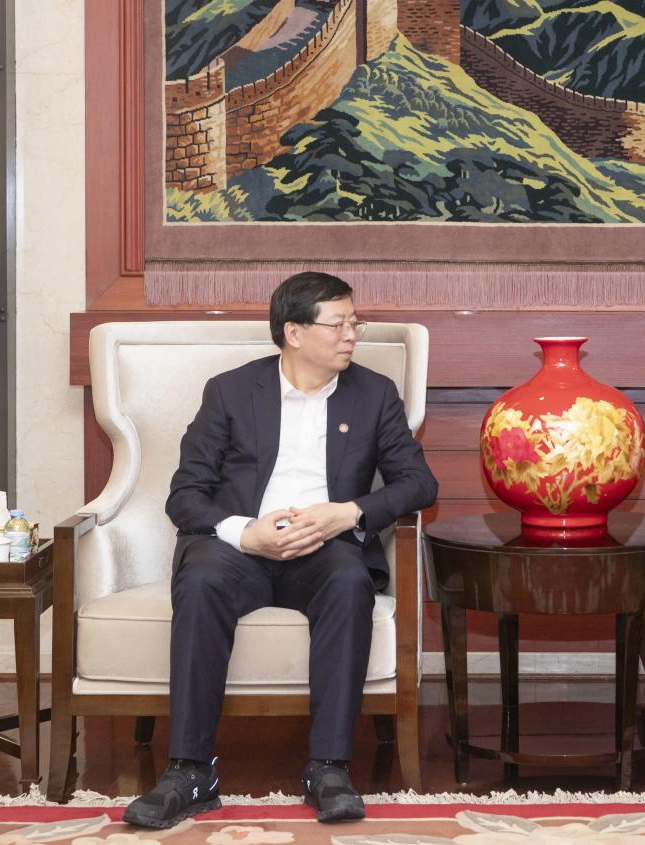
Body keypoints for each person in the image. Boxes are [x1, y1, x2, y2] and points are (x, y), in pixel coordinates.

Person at [124, 272, 438, 828]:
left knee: (349, 581)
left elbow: (419, 483)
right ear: (294, 332)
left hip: (324, 548)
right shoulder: (230, 391)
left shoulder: (374, 394)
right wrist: (246, 532)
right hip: (240, 549)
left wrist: (346, 513)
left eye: (355, 322)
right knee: (200, 579)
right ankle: (190, 771)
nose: (351, 334)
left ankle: (329, 768)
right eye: (337, 324)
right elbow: (185, 495)